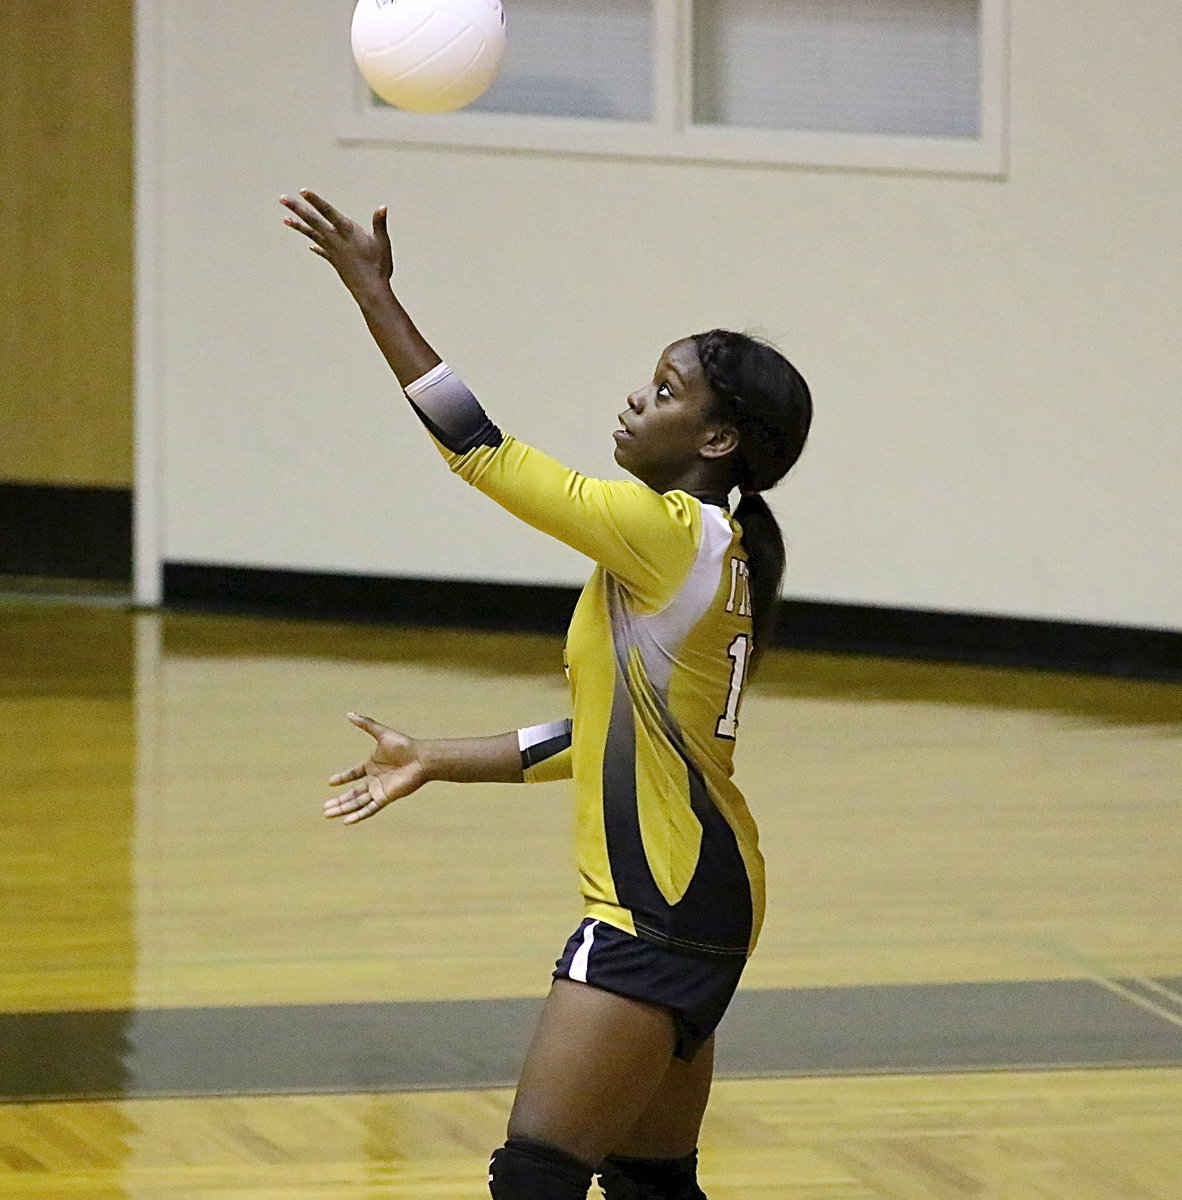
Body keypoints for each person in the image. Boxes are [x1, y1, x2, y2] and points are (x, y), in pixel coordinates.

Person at [280, 189, 812, 1200]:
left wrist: (372, 293)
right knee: (652, 1185)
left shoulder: (666, 536)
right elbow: (609, 736)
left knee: (537, 1180)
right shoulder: (706, 549)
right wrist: (440, 757)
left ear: (715, 442)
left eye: (665, 389)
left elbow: (478, 448)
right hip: (704, 891)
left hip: (657, 901)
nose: (635, 400)